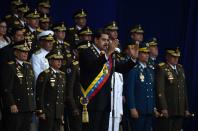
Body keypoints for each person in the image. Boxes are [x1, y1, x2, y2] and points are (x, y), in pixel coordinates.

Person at [79, 29, 135, 131]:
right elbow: (93, 67)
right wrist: (108, 53)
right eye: (103, 40)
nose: (106, 42)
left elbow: (121, 68)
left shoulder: (108, 55)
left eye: (108, 40)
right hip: (92, 102)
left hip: (105, 102)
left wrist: (133, 59)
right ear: (96, 40)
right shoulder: (86, 53)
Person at [1, 40, 35, 131]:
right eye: (23, 51)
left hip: (27, 105)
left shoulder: (28, 65)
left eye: (27, 51)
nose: (25, 53)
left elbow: (31, 86)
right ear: (16, 52)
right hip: (16, 106)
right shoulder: (10, 66)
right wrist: (12, 103)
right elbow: (7, 88)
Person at [125, 43, 160, 131]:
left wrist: (154, 107)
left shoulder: (150, 70)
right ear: (138, 54)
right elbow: (130, 91)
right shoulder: (134, 69)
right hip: (138, 109)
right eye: (144, 53)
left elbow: (152, 91)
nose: (147, 55)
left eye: (148, 53)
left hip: (149, 109)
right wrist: (132, 108)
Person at [155, 48, 190, 131]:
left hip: (180, 109)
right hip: (168, 108)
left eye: (177, 57)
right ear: (167, 57)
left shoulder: (180, 69)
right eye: (173, 57)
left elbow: (183, 91)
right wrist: (163, 107)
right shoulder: (162, 69)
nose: (176, 59)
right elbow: (160, 91)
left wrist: (186, 108)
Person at [36, 49, 66, 131]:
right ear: (50, 61)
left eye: (60, 60)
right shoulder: (45, 74)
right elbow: (40, 94)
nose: (59, 62)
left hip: (58, 111)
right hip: (47, 111)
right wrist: (40, 111)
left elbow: (62, 95)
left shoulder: (62, 75)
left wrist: (61, 112)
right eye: (56, 60)